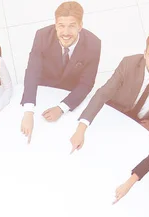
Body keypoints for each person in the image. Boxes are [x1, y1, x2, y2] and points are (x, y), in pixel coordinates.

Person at [70, 31, 149, 152]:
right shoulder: (128, 64)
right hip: (116, 114)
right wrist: (81, 128)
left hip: (144, 127)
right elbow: (103, 94)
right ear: (145, 54)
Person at [20, 2, 101, 144]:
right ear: (55, 25)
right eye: (61, 26)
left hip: (70, 93)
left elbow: (86, 83)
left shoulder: (94, 44)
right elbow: (32, 72)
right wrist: (28, 111)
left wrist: (62, 108)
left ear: (80, 26)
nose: (65, 32)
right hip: (44, 87)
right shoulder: (42, 36)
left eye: (71, 26)